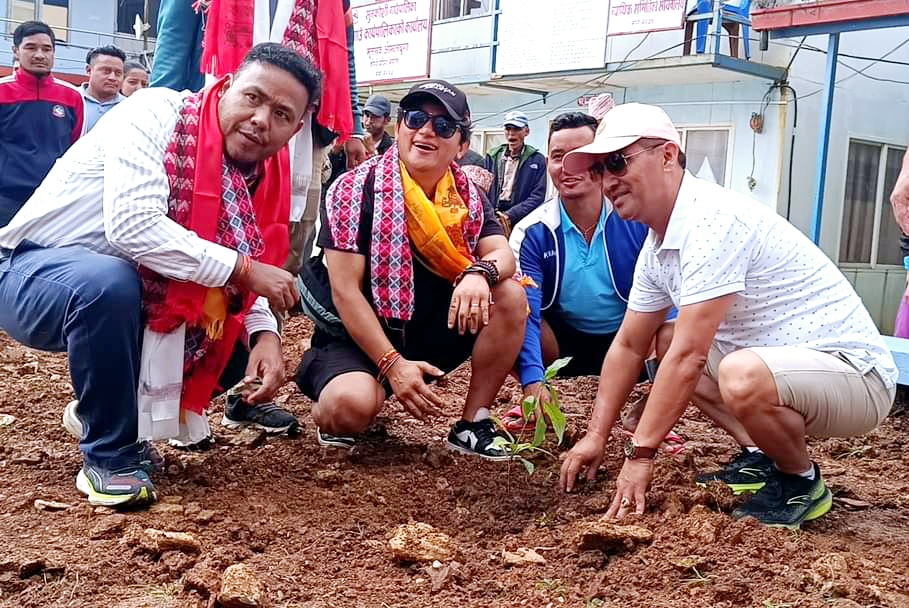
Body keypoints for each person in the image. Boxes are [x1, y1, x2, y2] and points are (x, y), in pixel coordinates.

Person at [0, 43, 320, 507]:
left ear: (295, 129)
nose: (261, 120)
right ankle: (109, 456)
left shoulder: (256, 175)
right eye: (253, 98)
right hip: (30, 271)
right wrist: (245, 270)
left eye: (281, 114)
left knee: (230, 340)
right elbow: (133, 226)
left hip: (122, 295)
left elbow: (245, 262)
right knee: (108, 284)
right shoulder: (156, 114)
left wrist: (265, 333)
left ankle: (105, 409)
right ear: (226, 86)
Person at [558, 103, 897, 530]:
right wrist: (596, 435)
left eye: (617, 162)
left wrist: (640, 455)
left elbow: (691, 358)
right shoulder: (659, 245)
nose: (608, 181)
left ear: (666, 156)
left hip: (856, 377)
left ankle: (800, 481)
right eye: (599, 171)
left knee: (732, 371)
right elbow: (628, 345)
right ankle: (759, 455)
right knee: (665, 340)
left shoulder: (713, 220)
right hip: (788, 365)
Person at [295, 80, 527, 459]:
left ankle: (473, 423)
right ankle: (336, 398)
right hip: (358, 334)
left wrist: (478, 272)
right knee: (349, 409)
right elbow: (345, 291)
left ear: (462, 145)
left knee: (510, 294)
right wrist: (392, 365)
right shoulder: (354, 190)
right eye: (415, 118)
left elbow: (501, 252)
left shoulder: (469, 195)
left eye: (443, 126)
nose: (425, 131)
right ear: (398, 127)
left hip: (429, 326)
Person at [504, 112, 651, 431]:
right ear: (548, 164)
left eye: (581, 156)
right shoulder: (533, 231)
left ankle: (652, 410)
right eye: (558, 157)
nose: (569, 167)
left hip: (630, 341)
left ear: (603, 159)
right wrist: (533, 382)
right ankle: (531, 403)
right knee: (506, 305)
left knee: (674, 317)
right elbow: (527, 310)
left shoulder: (636, 220)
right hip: (562, 343)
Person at [200, 0, 368, 274]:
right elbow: (176, 43)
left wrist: (355, 127)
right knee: (205, 214)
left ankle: (270, 309)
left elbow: (342, 55)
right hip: (218, 118)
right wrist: (176, 118)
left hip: (303, 136)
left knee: (293, 236)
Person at [0, 21, 84, 228]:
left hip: (53, 201)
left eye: (46, 49)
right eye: (30, 47)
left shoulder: (72, 97)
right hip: (6, 200)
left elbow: (75, 150)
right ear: (16, 52)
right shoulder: (3, 91)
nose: (39, 55)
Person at [484, 111, 548, 236]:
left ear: (526, 132)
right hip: (492, 217)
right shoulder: (492, 156)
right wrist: (491, 215)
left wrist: (510, 215)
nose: (511, 133)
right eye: (508, 129)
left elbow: (537, 196)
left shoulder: (536, 159)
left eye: (517, 129)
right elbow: (482, 190)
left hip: (522, 218)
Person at [326, 94, 394, 190]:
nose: (368, 121)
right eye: (366, 115)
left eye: (375, 117)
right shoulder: (352, 139)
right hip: (344, 194)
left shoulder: (391, 149)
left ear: (387, 120)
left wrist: (373, 152)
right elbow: (327, 176)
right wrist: (335, 152)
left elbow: (387, 180)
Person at [81, 45, 126, 131]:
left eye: (118, 73)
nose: (112, 78)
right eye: (106, 71)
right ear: (89, 70)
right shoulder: (70, 100)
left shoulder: (129, 107)